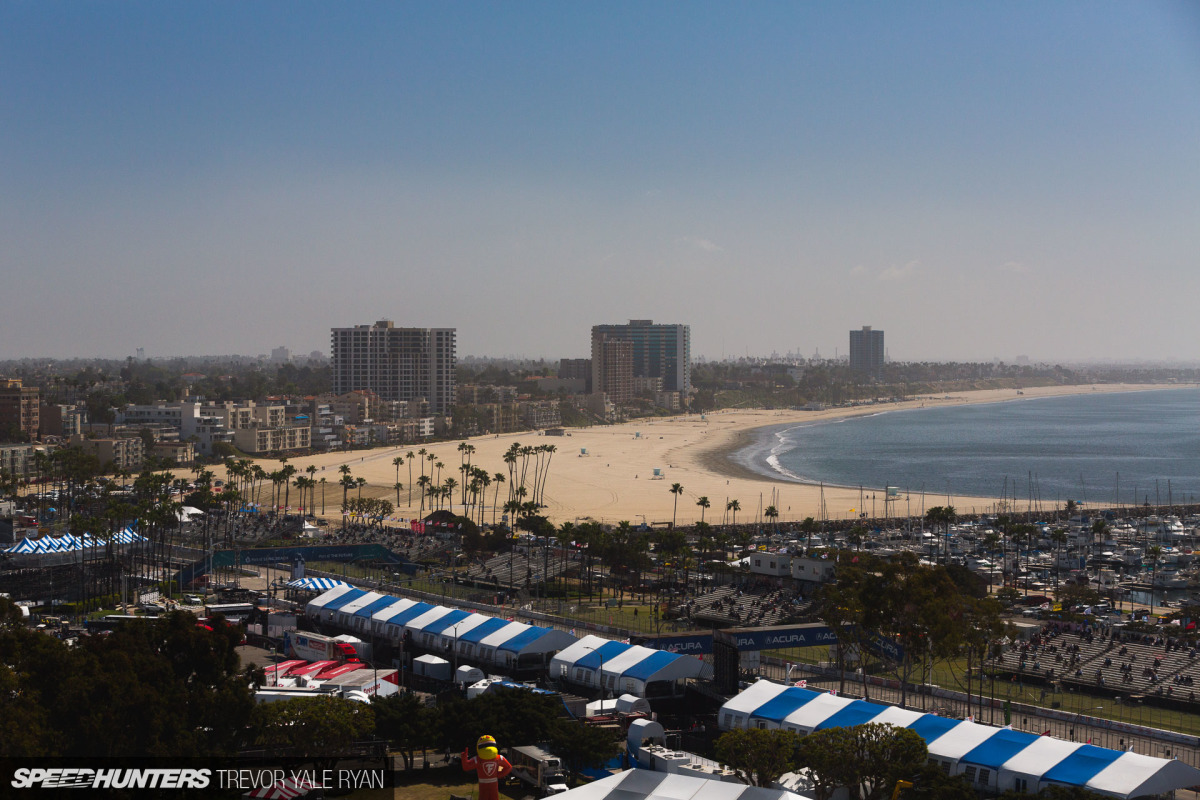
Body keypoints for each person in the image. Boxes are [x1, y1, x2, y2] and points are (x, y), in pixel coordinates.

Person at [462, 734, 513, 800]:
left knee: (487, 797)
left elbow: (466, 767)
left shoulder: (477, 759)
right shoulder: (499, 758)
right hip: (491, 783)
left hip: (485, 784)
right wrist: (499, 775)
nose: (488, 749)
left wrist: (464, 759)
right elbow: (509, 767)